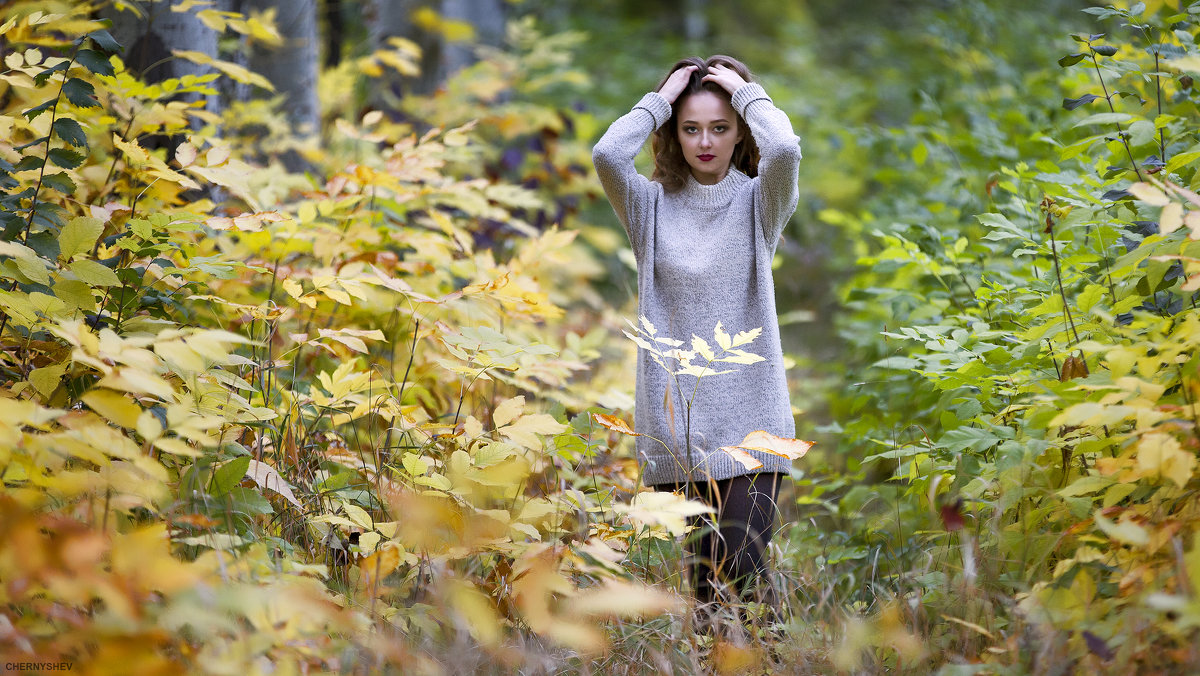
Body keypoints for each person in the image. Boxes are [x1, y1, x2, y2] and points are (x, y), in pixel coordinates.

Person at [591, 55, 801, 619]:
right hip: (681, 426)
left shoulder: (761, 203)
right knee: (709, 595)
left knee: (745, 572)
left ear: (739, 134)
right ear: (673, 134)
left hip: (754, 419)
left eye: (719, 127)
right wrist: (662, 95)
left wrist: (746, 92)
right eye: (690, 128)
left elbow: (785, 151)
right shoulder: (648, 207)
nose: (705, 141)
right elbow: (608, 154)